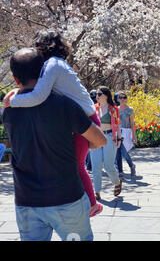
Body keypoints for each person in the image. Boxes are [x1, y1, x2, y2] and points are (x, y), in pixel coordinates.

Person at [3, 48, 106, 241]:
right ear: (44, 72)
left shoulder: (9, 112)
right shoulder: (63, 104)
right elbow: (100, 140)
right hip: (67, 201)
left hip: (27, 202)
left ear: (16, 79)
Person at [91, 86, 123, 200]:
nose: (97, 96)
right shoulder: (93, 108)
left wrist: (119, 139)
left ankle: (117, 182)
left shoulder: (113, 109)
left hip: (109, 137)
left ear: (105, 95)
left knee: (108, 165)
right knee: (96, 166)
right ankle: (97, 191)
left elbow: (118, 125)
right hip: (95, 138)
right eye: (96, 94)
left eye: (99, 94)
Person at [115, 92, 137, 179]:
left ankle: (131, 165)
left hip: (127, 132)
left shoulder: (130, 110)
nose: (123, 99)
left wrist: (133, 135)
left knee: (124, 152)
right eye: (121, 97)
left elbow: (132, 123)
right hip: (118, 132)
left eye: (124, 97)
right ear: (118, 99)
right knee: (118, 152)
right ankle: (120, 171)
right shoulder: (116, 109)